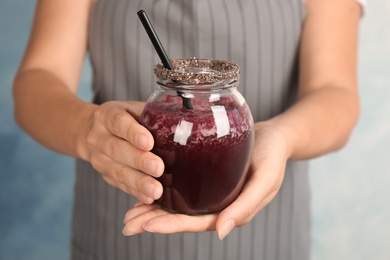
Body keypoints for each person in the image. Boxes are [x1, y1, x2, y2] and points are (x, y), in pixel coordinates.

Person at [13, 0, 363, 259]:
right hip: (120, 233)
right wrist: (87, 130)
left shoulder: (233, 107)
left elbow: (336, 93)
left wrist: (282, 137)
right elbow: (37, 81)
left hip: (267, 239)